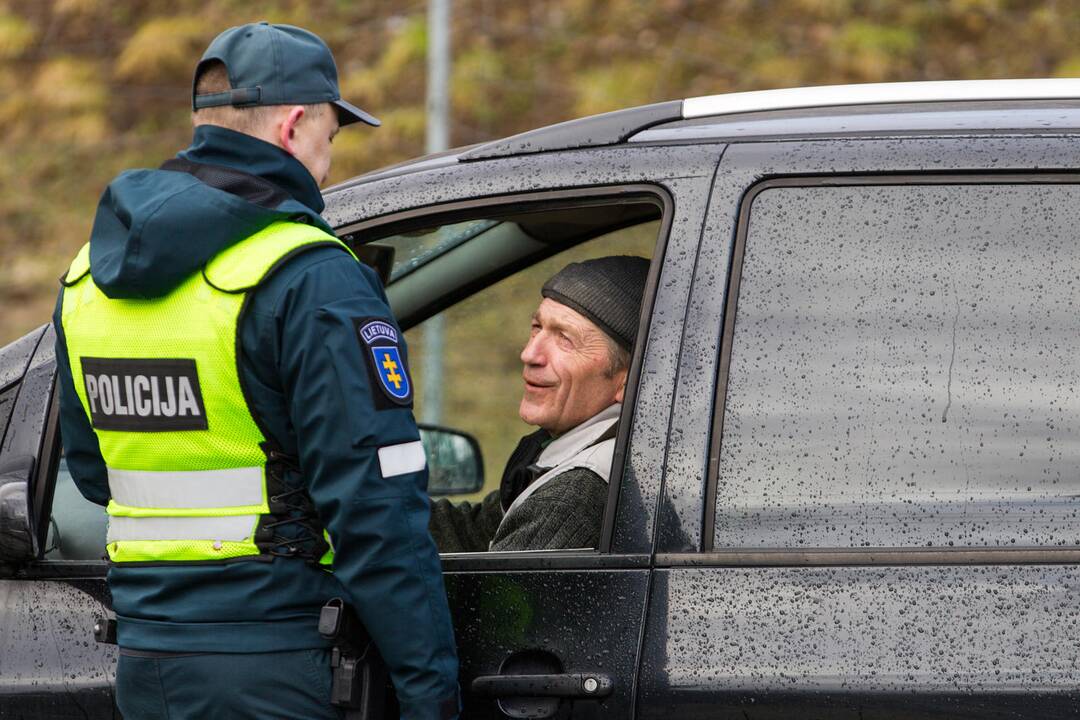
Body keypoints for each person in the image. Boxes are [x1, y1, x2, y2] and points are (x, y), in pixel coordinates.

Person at [53, 22, 459, 720]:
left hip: (146, 668)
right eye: (331, 138)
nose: (326, 165)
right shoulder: (308, 275)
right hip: (277, 669)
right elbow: (375, 515)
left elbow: (92, 474)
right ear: (295, 124)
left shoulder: (87, 277)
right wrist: (431, 695)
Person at [430, 255, 649, 552]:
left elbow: (490, 596)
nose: (530, 353)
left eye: (565, 339)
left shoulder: (573, 498)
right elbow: (476, 533)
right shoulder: (569, 451)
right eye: (537, 327)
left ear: (627, 380)